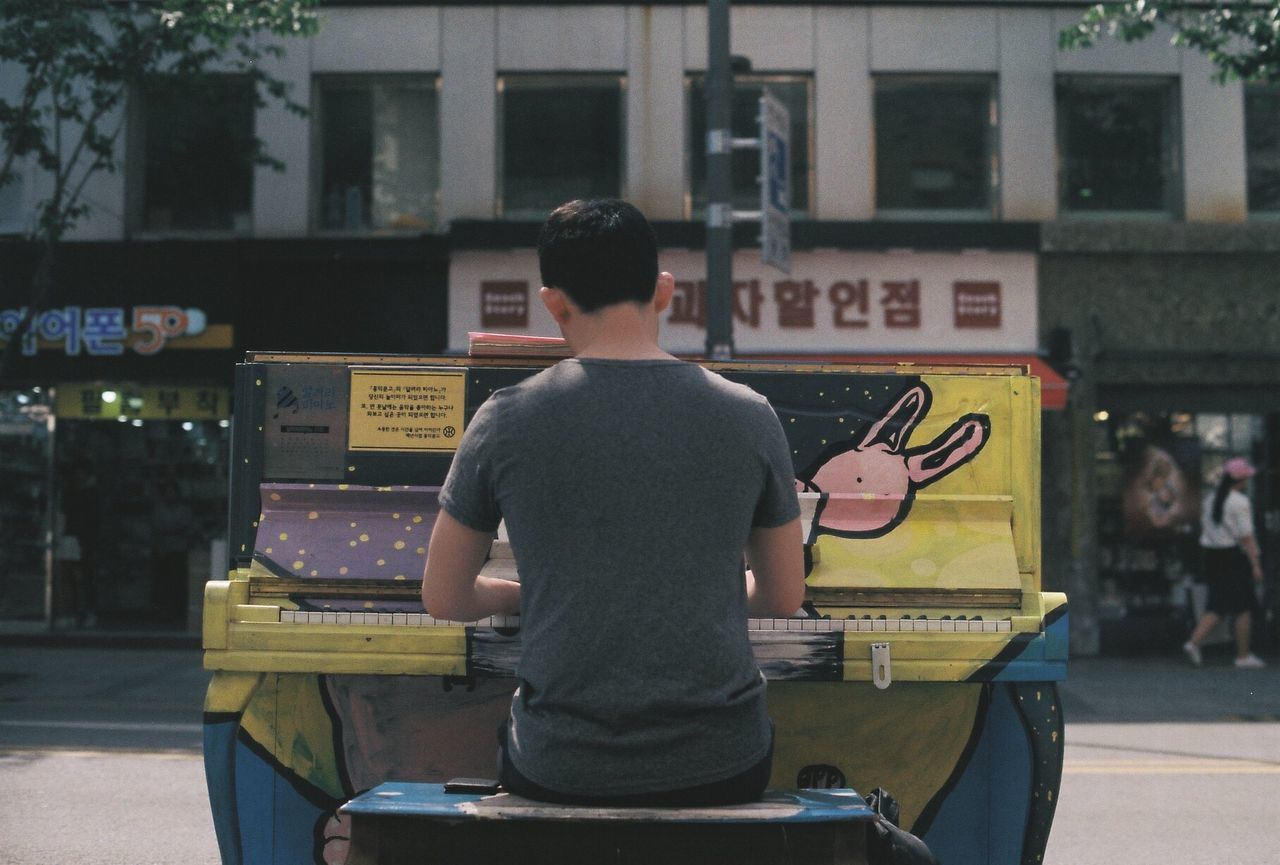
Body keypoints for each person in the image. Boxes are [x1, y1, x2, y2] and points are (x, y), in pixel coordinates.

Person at [422, 198, 805, 805]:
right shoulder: (748, 415)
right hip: (724, 760)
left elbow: (443, 597)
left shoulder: (506, 418)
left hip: (560, 764)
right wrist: (701, 593)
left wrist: (537, 595)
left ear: (553, 301)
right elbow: (785, 597)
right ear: (663, 291)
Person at [1183, 457, 1266, 669]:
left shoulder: (1211, 499)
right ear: (1242, 479)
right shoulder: (1239, 502)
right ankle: (1241, 654)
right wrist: (1255, 563)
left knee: (1219, 603)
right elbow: (1246, 536)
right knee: (1242, 606)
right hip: (1232, 556)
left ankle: (1195, 642)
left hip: (1212, 556)